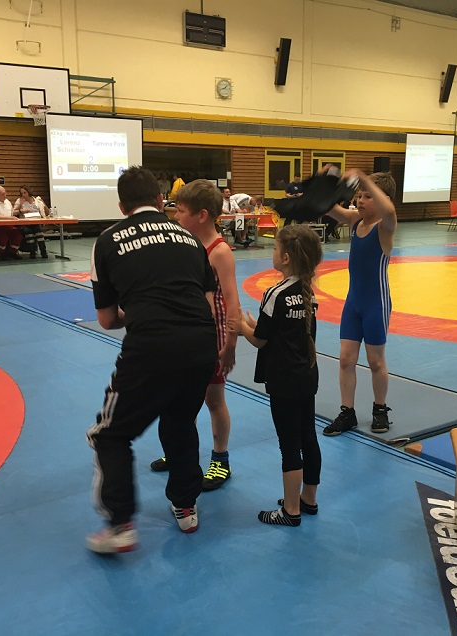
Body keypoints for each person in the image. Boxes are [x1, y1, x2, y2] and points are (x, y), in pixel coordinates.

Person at [85, 167, 217, 554]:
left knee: (109, 435)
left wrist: (142, 309)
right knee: (180, 421)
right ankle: (186, 506)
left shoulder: (107, 240)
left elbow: (108, 320)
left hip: (152, 346)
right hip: (201, 344)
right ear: (161, 200)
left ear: (121, 206)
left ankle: (119, 524)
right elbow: (208, 305)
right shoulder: (190, 239)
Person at [149, 179, 240, 491]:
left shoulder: (220, 251)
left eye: (181, 211)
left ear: (202, 215)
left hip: (213, 337)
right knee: (182, 399)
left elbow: (232, 302)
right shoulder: (186, 244)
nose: (176, 217)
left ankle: (220, 459)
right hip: (186, 335)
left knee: (213, 399)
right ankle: (180, 450)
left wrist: (230, 345)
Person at [232, 224, 323, 527]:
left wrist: (241, 327)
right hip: (306, 375)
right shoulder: (308, 292)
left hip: (284, 380)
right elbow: (288, 333)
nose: (271, 252)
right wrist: (253, 326)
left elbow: (261, 340)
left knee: (289, 444)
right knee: (308, 436)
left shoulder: (275, 293)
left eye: (274, 248)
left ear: (285, 258)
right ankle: (308, 499)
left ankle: (290, 511)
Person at [318, 168, 398, 436]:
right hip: (353, 304)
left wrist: (363, 177)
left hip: (376, 304)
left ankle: (380, 409)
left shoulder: (384, 227)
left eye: (367, 196)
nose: (360, 201)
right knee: (345, 359)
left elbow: (390, 211)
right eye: (359, 196)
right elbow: (327, 207)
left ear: (383, 198)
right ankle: (347, 412)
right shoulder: (355, 221)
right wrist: (324, 182)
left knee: (375, 361)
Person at [0, 185, 23, 261]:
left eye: (5, 193)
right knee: (3, 236)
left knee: (17, 234)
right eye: (3, 194)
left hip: (8, 225)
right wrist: (10, 218)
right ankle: (1, 254)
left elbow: (12, 213)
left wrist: (21, 211)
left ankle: (12, 253)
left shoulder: (7, 202)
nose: (5, 195)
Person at [13, 185, 49, 259]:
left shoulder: (37, 201)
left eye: (25, 192)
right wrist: (20, 207)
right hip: (25, 223)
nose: (23, 195)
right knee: (29, 232)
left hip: (36, 222)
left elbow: (47, 213)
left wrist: (43, 204)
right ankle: (32, 251)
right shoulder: (19, 200)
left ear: (29, 192)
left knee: (38, 231)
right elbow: (13, 212)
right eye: (21, 193)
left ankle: (43, 251)